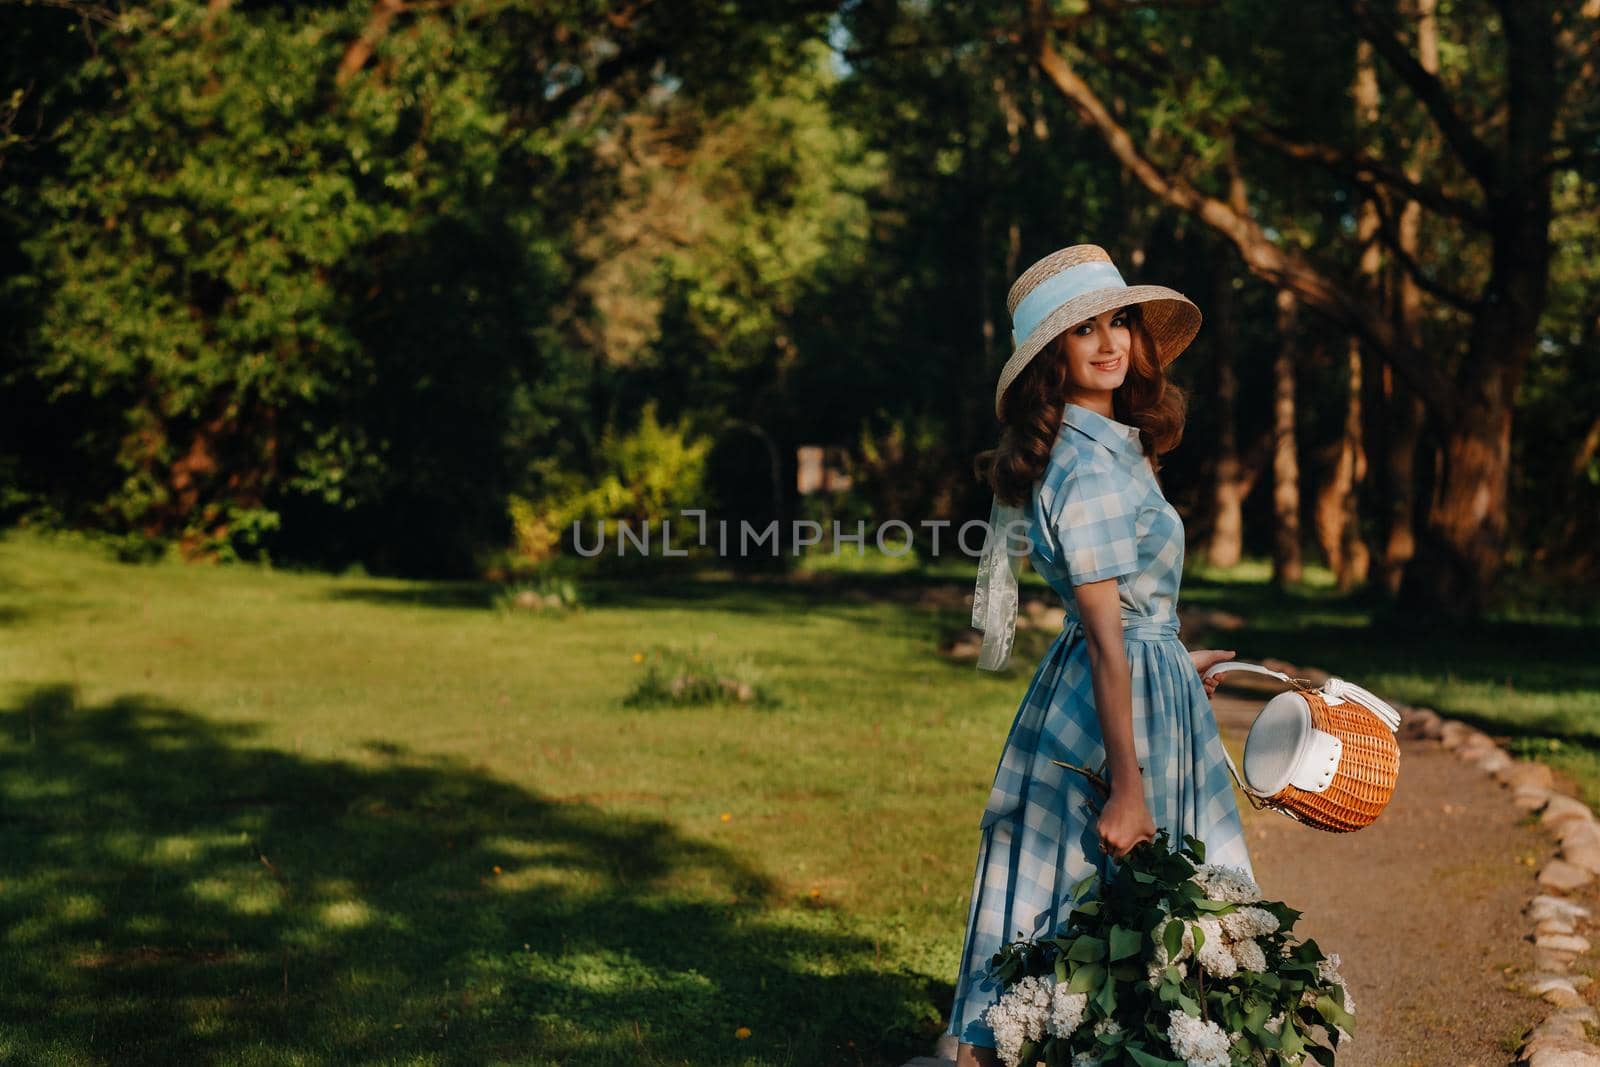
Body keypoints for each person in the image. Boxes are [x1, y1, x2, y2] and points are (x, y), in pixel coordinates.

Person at [948, 244, 1254, 1066]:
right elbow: (1107, 637)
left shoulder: (1114, 448)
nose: (1111, 341)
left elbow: (1130, 619)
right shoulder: (1083, 469)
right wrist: (1126, 787)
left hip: (1141, 679)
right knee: (1098, 878)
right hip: (1108, 695)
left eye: (1119, 321)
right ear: (1054, 358)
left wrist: (1175, 665)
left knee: (1121, 900)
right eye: (1085, 330)